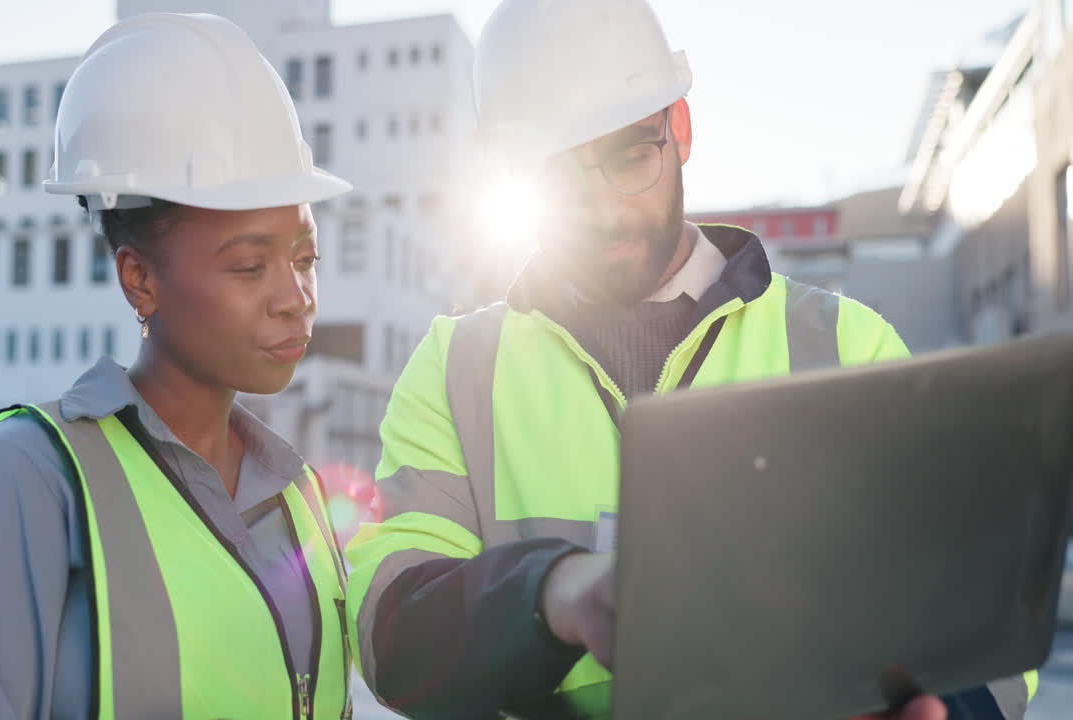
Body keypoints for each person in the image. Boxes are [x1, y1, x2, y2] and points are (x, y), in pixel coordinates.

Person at [344, 1, 1037, 718]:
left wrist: (945, 709)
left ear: (680, 128)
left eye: (630, 156)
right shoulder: (456, 370)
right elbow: (393, 638)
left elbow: (983, 629)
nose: (605, 210)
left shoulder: (848, 348)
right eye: (558, 177)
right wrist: (554, 593)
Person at [0, 13, 355, 719]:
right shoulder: (23, 480)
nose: (296, 298)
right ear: (139, 280)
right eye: (252, 265)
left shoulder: (298, 495)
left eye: (306, 257)